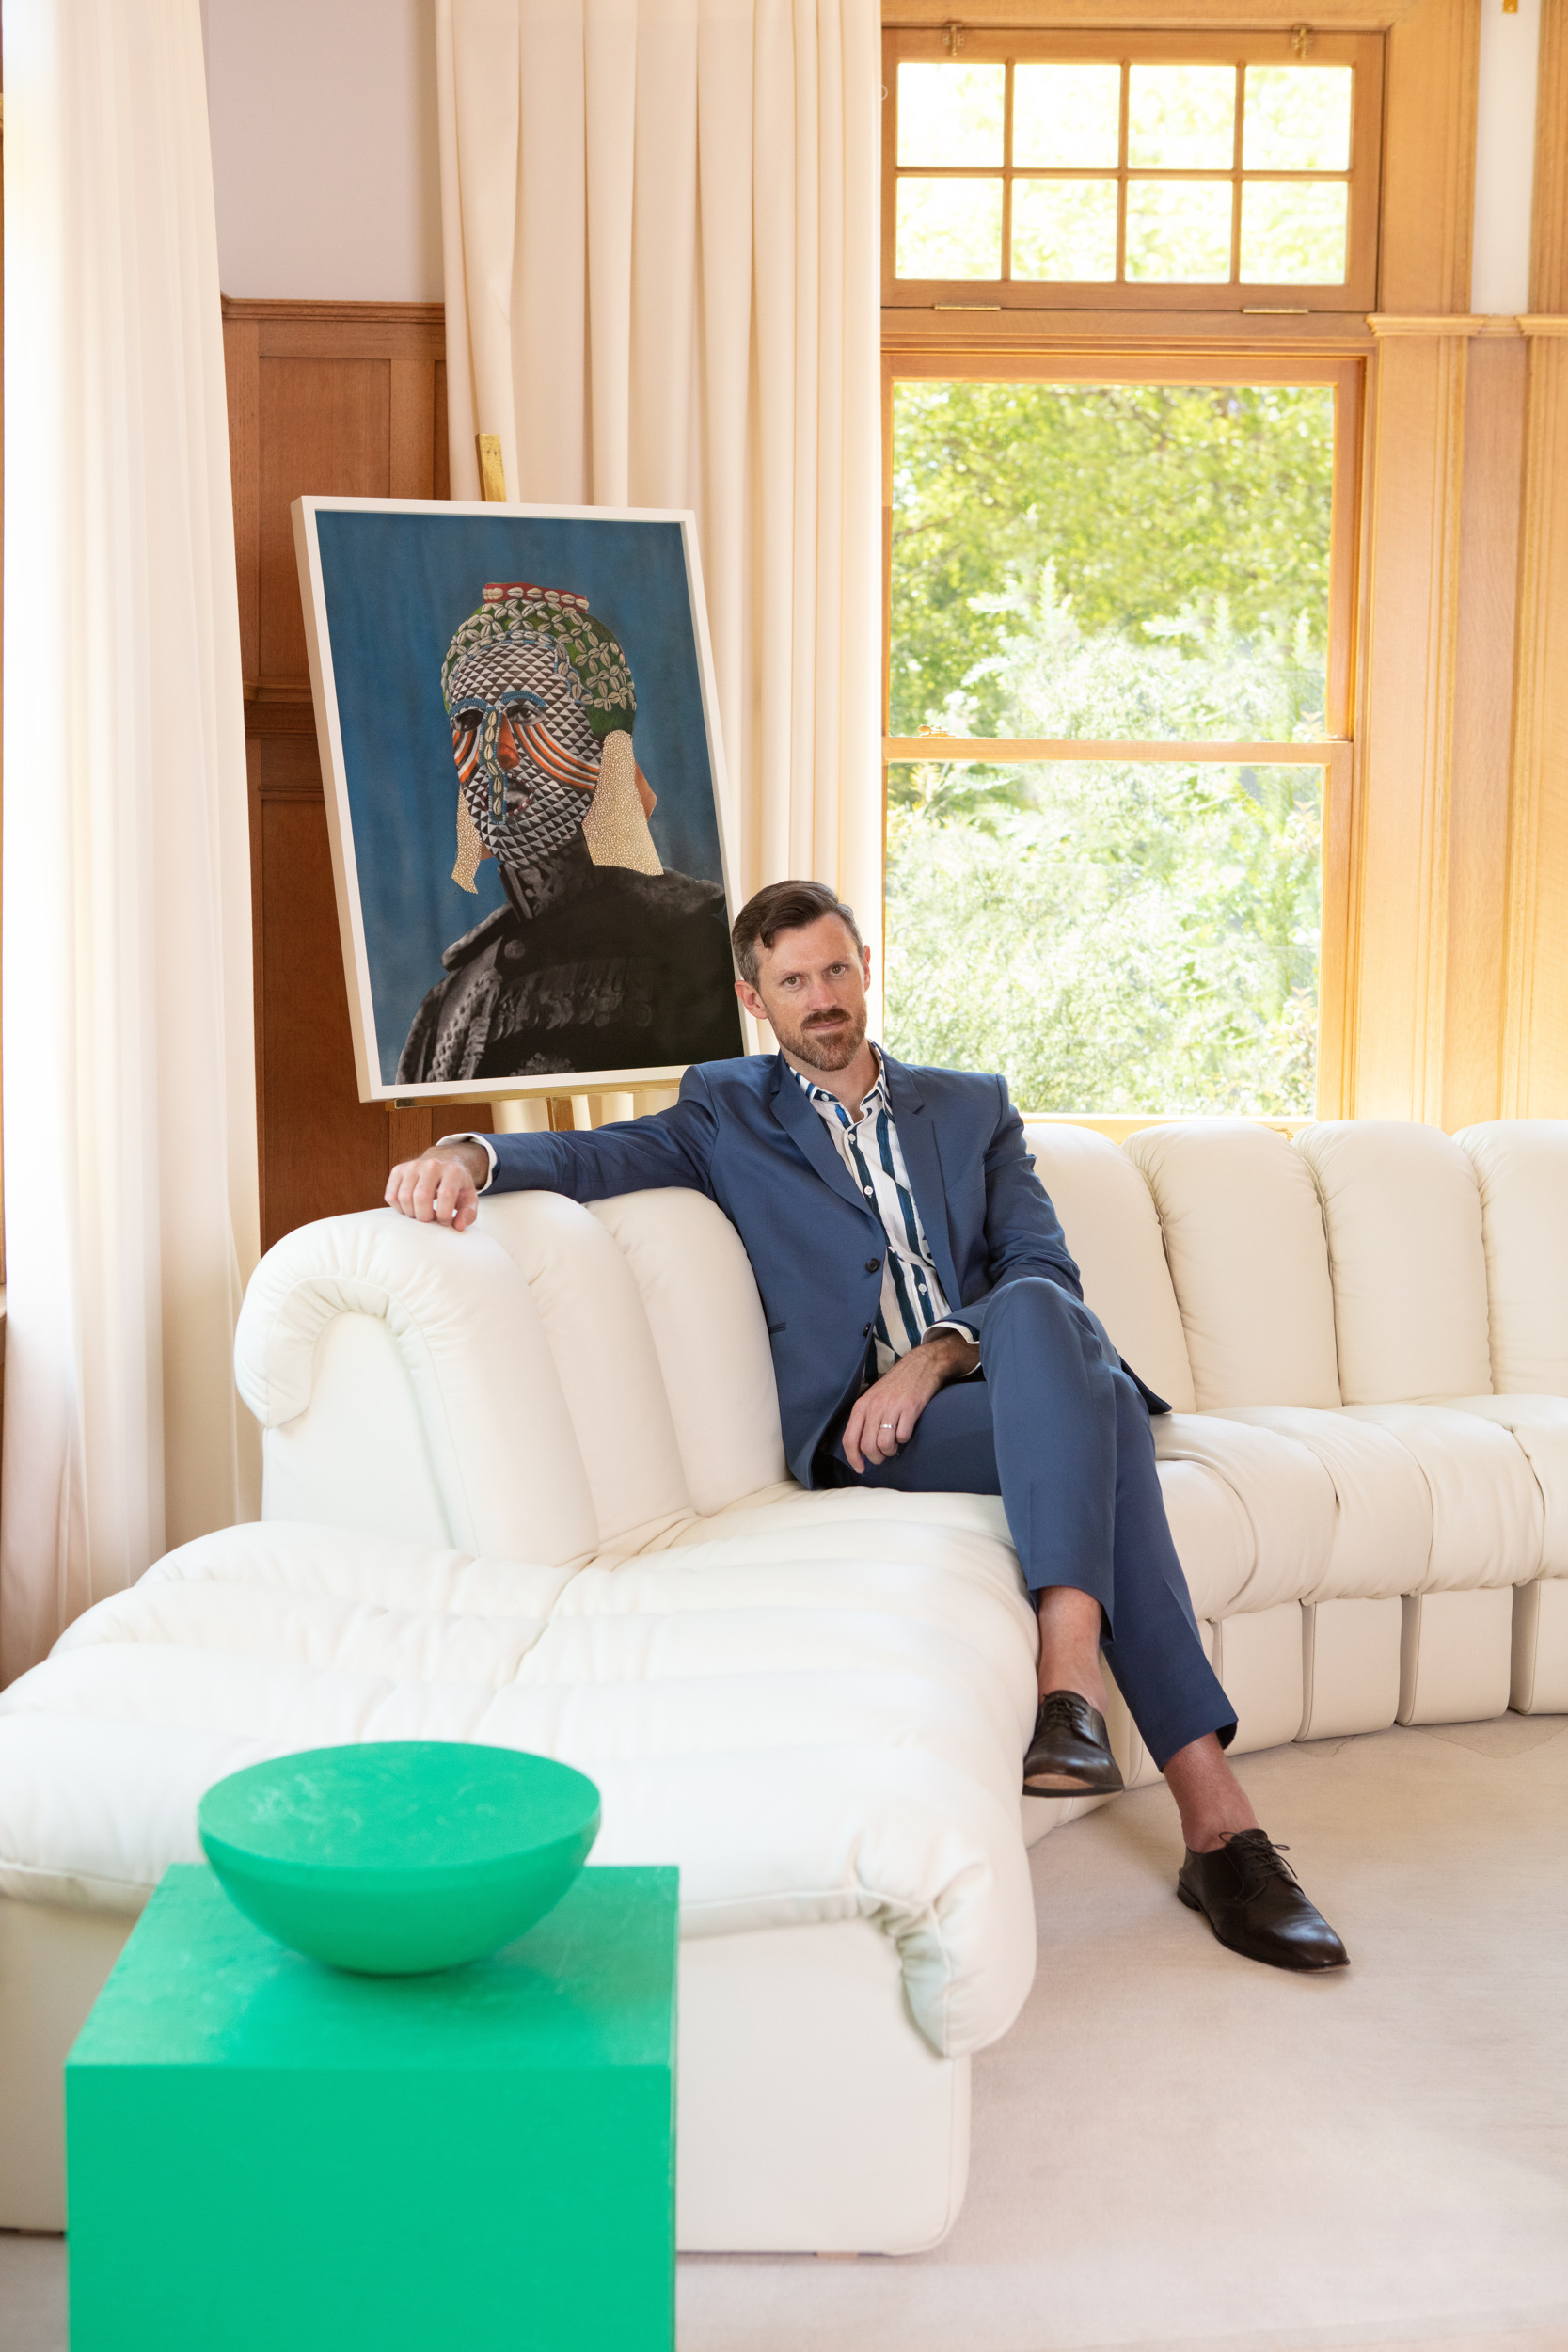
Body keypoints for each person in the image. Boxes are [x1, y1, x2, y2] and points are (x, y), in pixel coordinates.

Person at [387, 878, 1348, 1973]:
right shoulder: (723, 1110)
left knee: (1042, 1311)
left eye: (835, 969)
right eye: (792, 980)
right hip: (870, 1440)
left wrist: (934, 1358)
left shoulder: (970, 1106)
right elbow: (591, 1158)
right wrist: (468, 1152)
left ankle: (1096, 1707)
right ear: (757, 999)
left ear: (866, 967)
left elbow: (1041, 1266)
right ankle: (1208, 1820)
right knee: (1104, 1419)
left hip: (988, 1390)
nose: (821, 998)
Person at [396, 580, 739, 1084]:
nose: (497, 751)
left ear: (604, 746)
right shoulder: (446, 1003)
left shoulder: (699, 953)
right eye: (469, 721)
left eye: (524, 713)